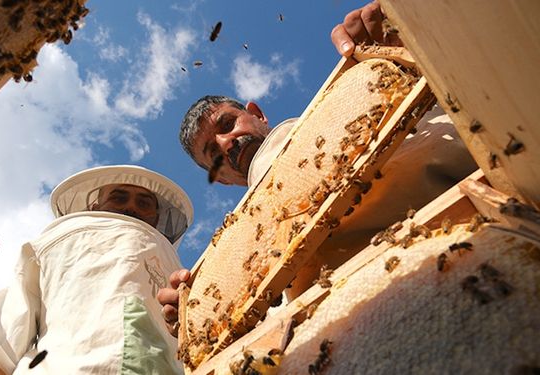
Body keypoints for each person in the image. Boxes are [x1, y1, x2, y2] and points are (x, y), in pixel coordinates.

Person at [159, 1, 477, 334]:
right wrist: (204, 317)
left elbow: (467, 105)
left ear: (258, 114)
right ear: (221, 180)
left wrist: (411, 45)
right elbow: (274, 330)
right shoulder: (250, 258)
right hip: (362, 332)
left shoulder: (369, 97)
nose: (226, 143)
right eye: (213, 152)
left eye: (227, 124)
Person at [0, 165, 193, 374]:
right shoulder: (56, 243)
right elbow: (9, 320)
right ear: (95, 205)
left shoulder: (172, 266)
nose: (130, 207)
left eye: (143, 202)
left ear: (156, 217)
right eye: (118, 198)